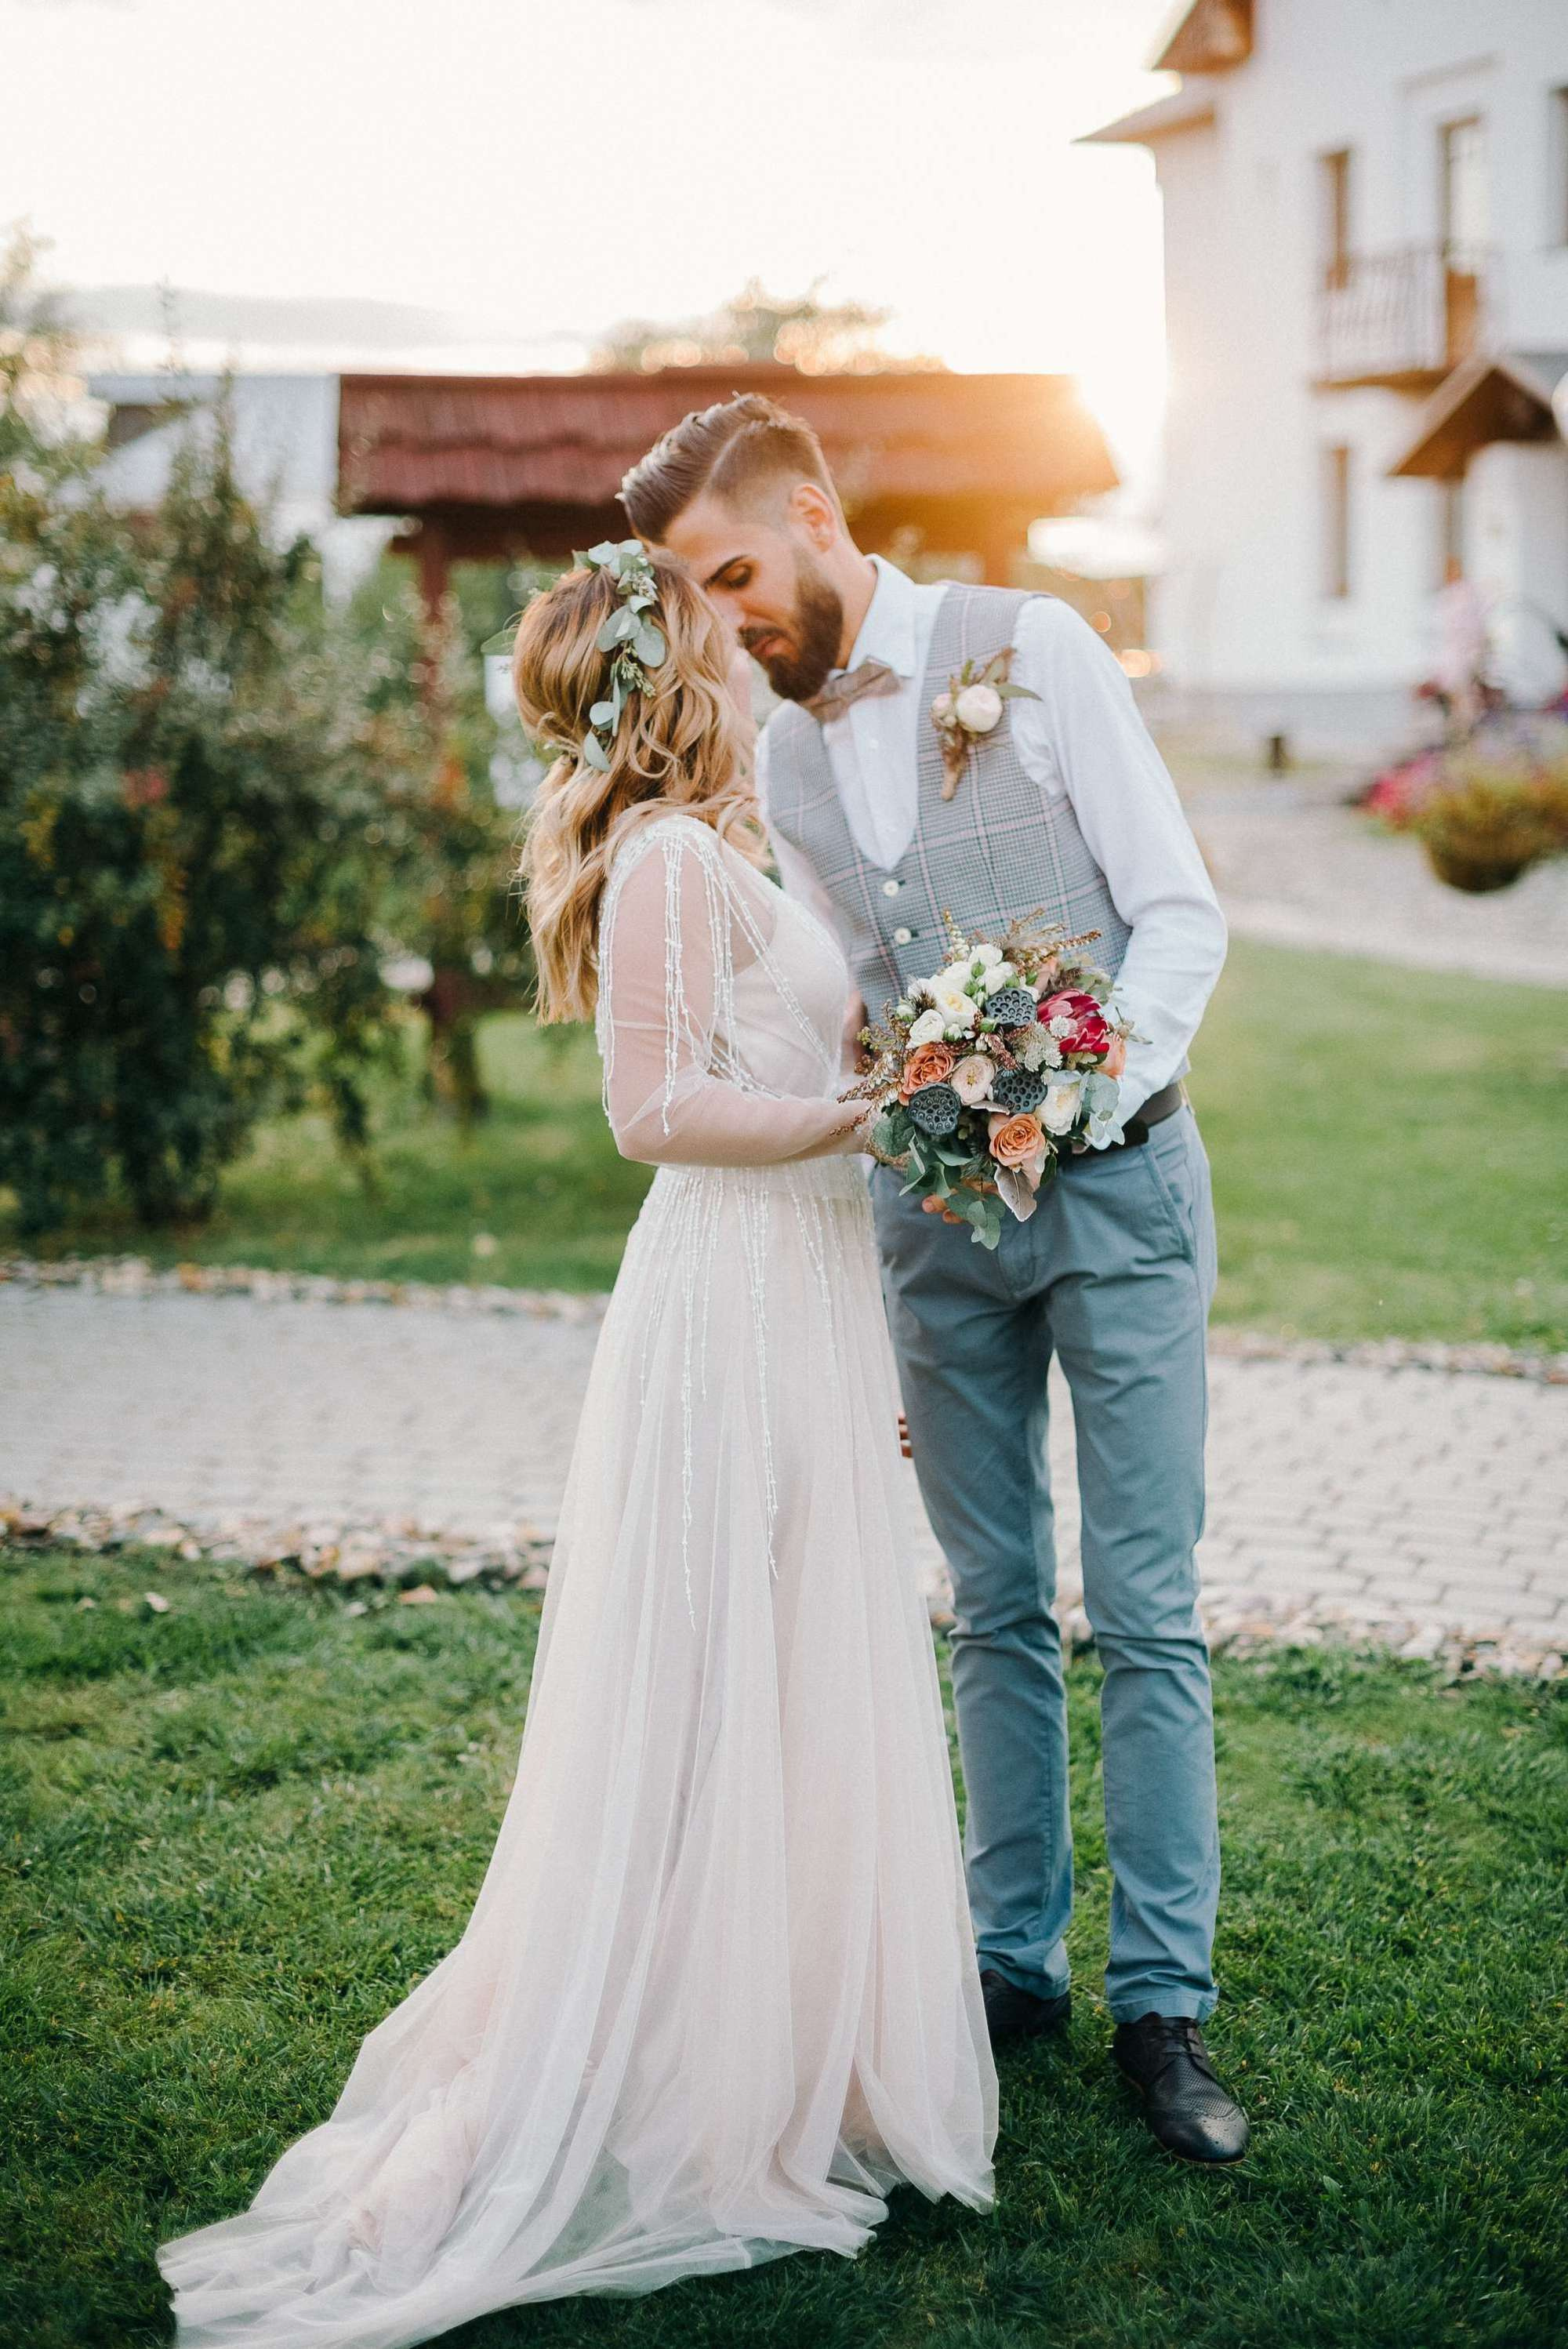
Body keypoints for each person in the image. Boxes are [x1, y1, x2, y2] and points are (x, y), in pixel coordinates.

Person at [156, 544, 996, 2349]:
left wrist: (901, 1077)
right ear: (676, 666)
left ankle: (767, 2046)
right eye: (721, 631)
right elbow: (652, 1112)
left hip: (803, 1294)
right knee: (705, 1701)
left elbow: (749, 1054)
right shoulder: (670, 859)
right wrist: (869, 1114)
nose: (752, 647)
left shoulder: (727, 848)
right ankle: (608, 2083)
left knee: (787, 1672)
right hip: (724, 1297)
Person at [623, 394, 1250, 2165]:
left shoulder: (1030, 646)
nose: (727, 615)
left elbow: (1179, 910)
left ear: (813, 514)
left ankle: (1162, 2005)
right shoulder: (783, 752)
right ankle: (1005, 1962)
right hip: (930, 1230)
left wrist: (1078, 1094)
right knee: (985, 1604)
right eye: (697, 591)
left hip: (1120, 1191)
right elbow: (853, 993)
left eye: (734, 570)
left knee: (1139, 1603)